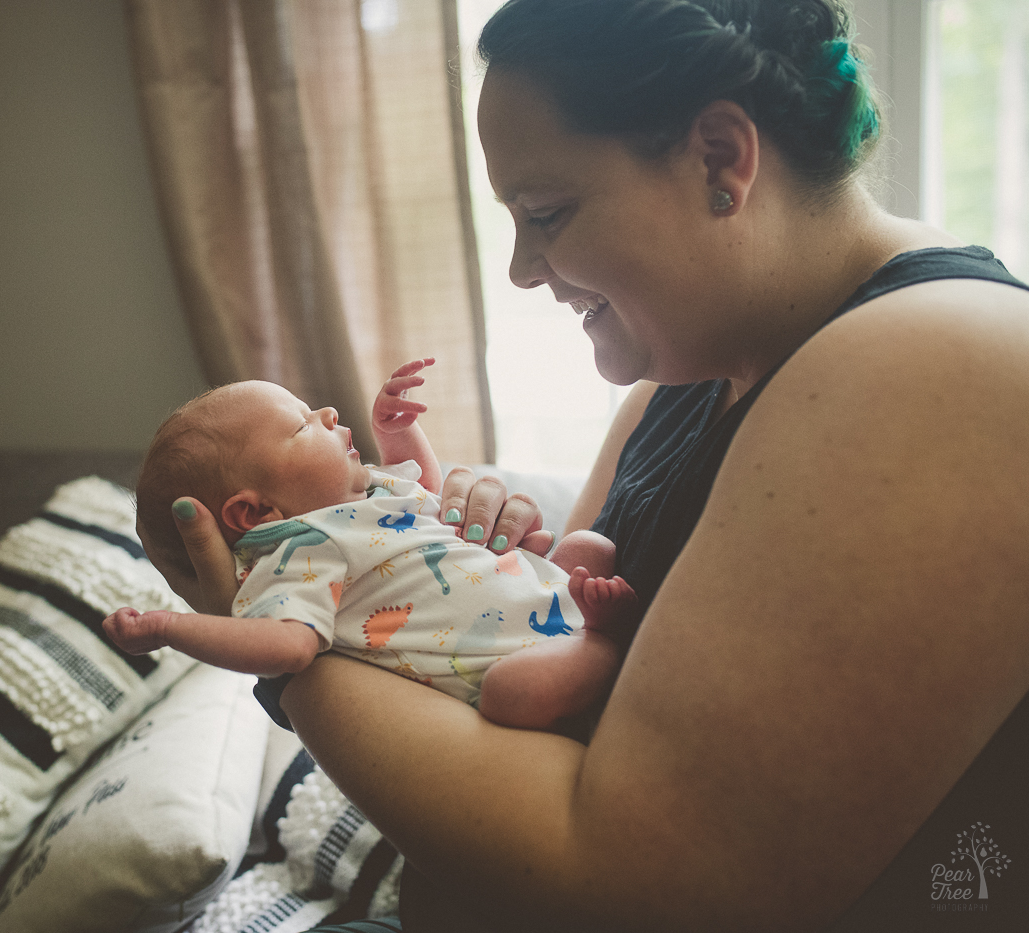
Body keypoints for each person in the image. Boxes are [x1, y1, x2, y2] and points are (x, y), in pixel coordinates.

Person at [148, 1, 1029, 929]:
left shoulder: (943, 361)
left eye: (546, 211)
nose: (525, 267)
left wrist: (285, 636)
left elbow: (627, 881)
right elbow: (530, 662)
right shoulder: (686, 373)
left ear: (720, 158)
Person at [109, 359, 638, 731]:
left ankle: (594, 623)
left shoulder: (369, 493)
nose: (329, 415)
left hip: (536, 596)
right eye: (301, 425)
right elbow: (288, 649)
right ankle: (602, 642)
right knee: (512, 696)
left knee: (588, 546)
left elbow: (429, 499)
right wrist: (171, 627)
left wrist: (397, 433)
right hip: (520, 657)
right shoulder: (297, 554)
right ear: (255, 513)